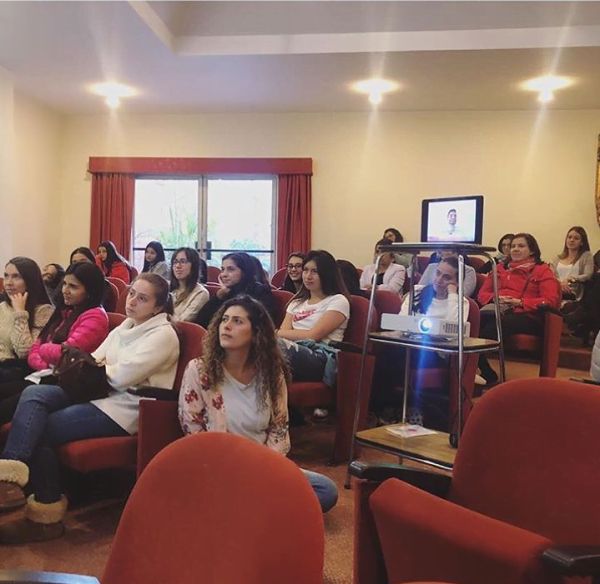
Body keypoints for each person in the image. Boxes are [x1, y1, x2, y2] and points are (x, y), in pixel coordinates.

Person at [0, 273, 179, 543]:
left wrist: (94, 368)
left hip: (127, 407)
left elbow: (120, 377)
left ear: (158, 307)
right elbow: (94, 359)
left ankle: (44, 516)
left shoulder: (163, 335)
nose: (132, 301)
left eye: (142, 299)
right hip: (97, 392)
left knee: (41, 429)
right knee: (34, 393)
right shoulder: (127, 326)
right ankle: (11, 469)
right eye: (132, 293)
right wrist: (92, 368)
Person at [178, 295, 337, 513]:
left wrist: (263, 467)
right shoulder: (199, 370)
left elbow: (280, 429)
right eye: (224, 319)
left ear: (256, 333)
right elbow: (193, 428)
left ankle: (251, 506)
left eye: (237, 321)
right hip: (218, 465)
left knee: (325, 490)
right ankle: (258, 507)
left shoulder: (271, 374)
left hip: (262, 462)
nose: (227, 326)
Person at [0, 262, 109, 425]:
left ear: (89, 291)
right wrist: (45, 358)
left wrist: (44, 350)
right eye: (64, 284)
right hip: (41, 374)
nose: (65, 290)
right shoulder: (65, 310)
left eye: (73, 286)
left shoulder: (95, 317)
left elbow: (63, 355)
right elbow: (36, 349)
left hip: (63, 382)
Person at [372, 256, 469, 427]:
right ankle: (390, 407)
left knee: (391, 357)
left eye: (447, 277)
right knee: (384, 353)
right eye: (438, 273)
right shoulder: (417, 292)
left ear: (457, 282)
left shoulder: (460, 302)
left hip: (436, 354)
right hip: (409, 346)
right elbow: (402, 322)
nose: (439, 280)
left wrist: (453, 294)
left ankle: (386, 408)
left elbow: (454, 331)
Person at [477, 233, 561, 384]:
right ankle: (482, 370)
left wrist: (520, 302)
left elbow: (550, 300)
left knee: (497, 324)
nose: (515, 249)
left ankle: (482, 371)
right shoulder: (499, 268)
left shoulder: (542, 270)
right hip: (498, 309)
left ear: (532, 250)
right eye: (513, 246)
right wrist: (495, 298)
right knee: (474, 321)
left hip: (529, 316)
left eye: (521, 246)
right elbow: (482, 294)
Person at [277, 250, 350, 418]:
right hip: (293, 351)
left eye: (314, 271)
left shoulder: (338, 301)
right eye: (306, 270)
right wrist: (280, 334)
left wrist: (279, 334)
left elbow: (313, 335)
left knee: (273, 344)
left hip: (320, 356)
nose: (308, 276)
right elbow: (283, 332)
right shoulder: (296, 302)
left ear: (326, 274)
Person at [0, 258, 54, 383]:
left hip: (18, 372)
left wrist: (20, 313)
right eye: (6, 276)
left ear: (30, 281)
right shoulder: (2, 307)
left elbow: (24, 353)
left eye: (16, 277)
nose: (8, 283)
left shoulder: (44, 311)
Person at [195, 252, 276, 328]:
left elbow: (262, 325)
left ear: (245, 271)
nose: (224, 274)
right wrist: (217, 297)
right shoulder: (225, 293)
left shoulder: (261, 291)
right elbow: (200, 323)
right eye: (222, 269)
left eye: (231, 269)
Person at [550, 226, 593, 304]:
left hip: (573, 295)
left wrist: (571, 279)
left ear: (582, 242)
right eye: (569, 237)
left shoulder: (586, 255)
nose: (572, 240)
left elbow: (588, 275)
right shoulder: (556, 259)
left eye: (576, 238)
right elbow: (551, 277)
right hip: (556, 291)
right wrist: (561, 284)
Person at [169, 247, 209, 322]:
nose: (177, 266)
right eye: (175, 262)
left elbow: (182, 321)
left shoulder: (201, 293)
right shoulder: (169, 289)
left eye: (183, 261)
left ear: (193, 266)